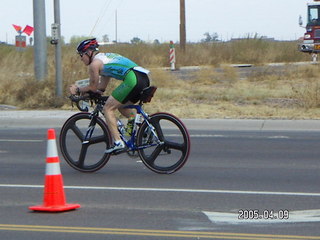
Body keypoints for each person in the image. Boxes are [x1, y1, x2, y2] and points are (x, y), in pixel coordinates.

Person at [69, 38, 150, 153]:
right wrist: (90, 94)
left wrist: (77, 90)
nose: (81, 59)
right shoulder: (103, 59)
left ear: (88, 52)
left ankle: (118, 142)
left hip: (133, 79)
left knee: (108, 108)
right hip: (143, 78)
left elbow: (92, 87)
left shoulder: (94, 65)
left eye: (81, 55)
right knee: (121, 106)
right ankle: (141, 129)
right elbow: (100, 88)